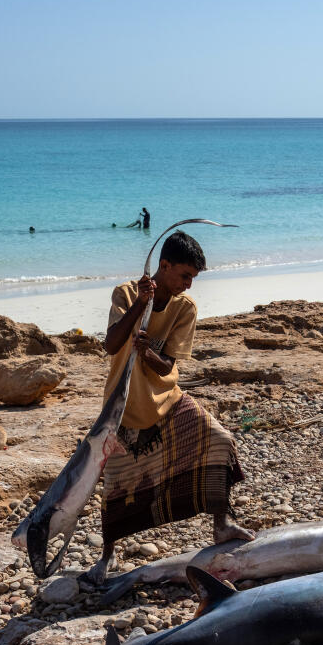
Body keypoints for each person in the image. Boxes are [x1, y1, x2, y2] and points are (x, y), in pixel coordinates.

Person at [85, 231, 253, 585]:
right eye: (184, 276)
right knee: (115, 486)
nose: (189, 285)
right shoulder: (126, 294)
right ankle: (107, 556)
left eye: (193, 278)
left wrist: (147, 352)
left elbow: (168, 366)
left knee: (219, 440)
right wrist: (139, 306)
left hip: (168, 401)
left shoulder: (184, 308)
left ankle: (221, 525)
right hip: (124, 406)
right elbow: (111, 344)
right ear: (164, 265)